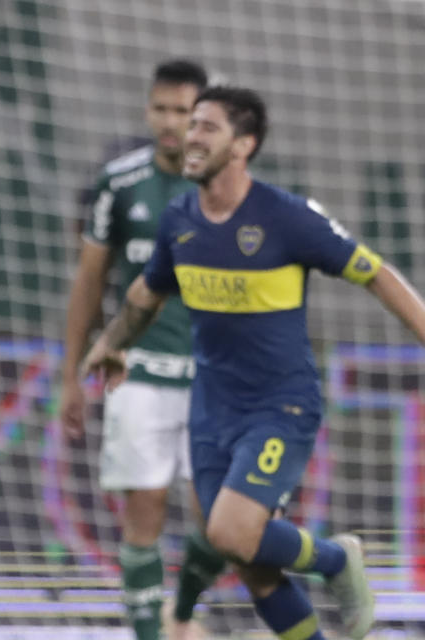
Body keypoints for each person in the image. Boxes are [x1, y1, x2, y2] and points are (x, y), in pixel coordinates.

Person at [79, 85, 413, 639]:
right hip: (211, 412)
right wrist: (113, 341)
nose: (192, 137)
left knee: (233, 532)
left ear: (244, 145)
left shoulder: (287, 217)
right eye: (192, 126)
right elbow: (145, 295)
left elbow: (375, 272)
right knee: (253, 567)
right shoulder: (180, 218)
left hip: (279, 405)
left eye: (208, 127)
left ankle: (337, 559)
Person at [60, 59, 224, 640]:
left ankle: (180, 614)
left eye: (184, 111)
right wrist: (72, 375)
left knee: (220, 521)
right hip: (138, 374)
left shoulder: (227, 187)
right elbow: (88, 284)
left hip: (213, 379)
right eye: (162, 109)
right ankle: (153, 633)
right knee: (145, 507)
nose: (171, 122)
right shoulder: (118, 184)